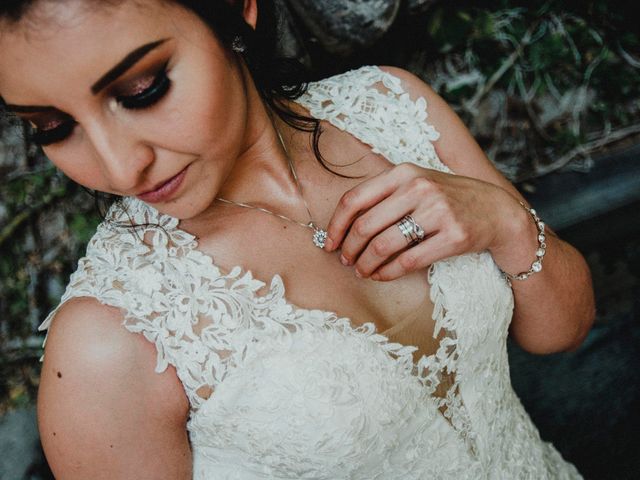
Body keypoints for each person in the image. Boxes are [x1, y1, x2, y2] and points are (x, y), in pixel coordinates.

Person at [0, 0, 596, 478]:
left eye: (142, 89)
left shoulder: (393, 108)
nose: (121, 168)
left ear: (238, 11)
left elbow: (562, 330)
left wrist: (505, 222)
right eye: (53, 128)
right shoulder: (106, 340)